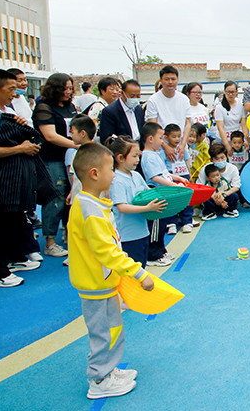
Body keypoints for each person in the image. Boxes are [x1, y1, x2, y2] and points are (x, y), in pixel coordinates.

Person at [67, 142, 152, 399]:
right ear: (94, 173)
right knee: (102, 332)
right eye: (110, 169)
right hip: (95, 284)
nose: (114, 174)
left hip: (105, 283)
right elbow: (108, 252)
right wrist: (139, 273)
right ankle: (99, 379)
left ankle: (108, 369)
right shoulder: (88, 209)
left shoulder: (93, 203)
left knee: (114, 328)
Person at [0, 70, 55, 287]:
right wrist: (20, 148)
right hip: (2, 180)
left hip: (13, 180)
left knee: (13, 221)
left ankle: (14, 259)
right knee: (2, 226)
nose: (15, 93)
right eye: (11, 89)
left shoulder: (8, 111)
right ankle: (1, 272)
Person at [33, 73, 78, 258]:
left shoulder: (70, 107)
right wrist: (76, 144)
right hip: (52, 159)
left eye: (70, 88)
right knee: (55, 198)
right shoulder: (43, 107)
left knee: (72, 195)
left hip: (71, 158)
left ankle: (70, 232)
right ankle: (50, 240)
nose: (68, 92)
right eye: (64, 89)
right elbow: (50, 135)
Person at [108, 136, 167, 267]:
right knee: (132, 272)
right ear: (120, 158)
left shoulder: (136, 175)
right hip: (127, 237)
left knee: (141, 267)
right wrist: (148, 208)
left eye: (138, 156)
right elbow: (122, 207)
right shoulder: (117, 180)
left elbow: (148, 193)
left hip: (143, 232)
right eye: (134, 156)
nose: (137, 160)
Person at [139, 122, 185, 267]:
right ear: (150, 139)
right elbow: (155, 177)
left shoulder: (155, 154)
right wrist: (173, 185)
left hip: (163, 193)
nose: (162, 141)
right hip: (156, 193)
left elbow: (164, 173)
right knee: (156, 226)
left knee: (162, 224)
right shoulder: (148, 156)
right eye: (160, 138)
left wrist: (176, 178)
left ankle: (161, 250)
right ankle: (153, 255)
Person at [145, 66, 192, 165]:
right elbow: (153, 126)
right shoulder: (153, 100)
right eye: (167, 79)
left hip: (180, 147)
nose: (170, 82)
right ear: (161, 81)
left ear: (177, 80)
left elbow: (188, 123)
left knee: (185, 177)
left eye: (173, 79)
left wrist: (183, 144)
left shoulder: (184, 99)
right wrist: (166, 146)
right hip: (161, 147)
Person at [162, 123, 194, 234]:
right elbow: (162, 166)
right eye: (173, 136)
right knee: (172, 200)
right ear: (166, 137)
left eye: (179, 136)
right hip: (171, 176)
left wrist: (189, 175)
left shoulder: (182, 146)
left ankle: (187, 221)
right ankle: (171, 222)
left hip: (184, 174)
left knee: (187, 198)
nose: (177, 139)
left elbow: (187, 161)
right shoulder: (163, 150)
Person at [98, 79, 144, 144]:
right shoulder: (110, 112)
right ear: (122, 93)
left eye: (138, 96)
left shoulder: (138, 109)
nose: (135, 99)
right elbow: (107, 139)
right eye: (132, 96)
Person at [214, 81, 248, 157]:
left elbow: (243, 124)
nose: (230, 94)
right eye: (228, 92)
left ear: (236, 92)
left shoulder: (241, 106)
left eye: (233, 92)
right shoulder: (219, 107)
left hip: (237, 140)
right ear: (224, 92)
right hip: (223, 139)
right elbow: (221, 128)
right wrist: (227, 145)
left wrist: (246, 139)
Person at [83, 77, 121, 142]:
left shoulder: (112, 106)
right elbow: (94, 131)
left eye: (117, 89)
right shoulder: (98, 107)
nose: (115, 92)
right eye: (111, 89)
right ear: (102, 91)